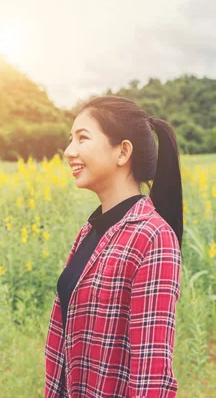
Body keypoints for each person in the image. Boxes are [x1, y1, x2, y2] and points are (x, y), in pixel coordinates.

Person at [44, 95, 183, 398]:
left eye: (82, 138)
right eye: (70, 140)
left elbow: (151, 375)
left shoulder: (153, 237)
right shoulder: (89, 232)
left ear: (123, 152)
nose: (69, 152)